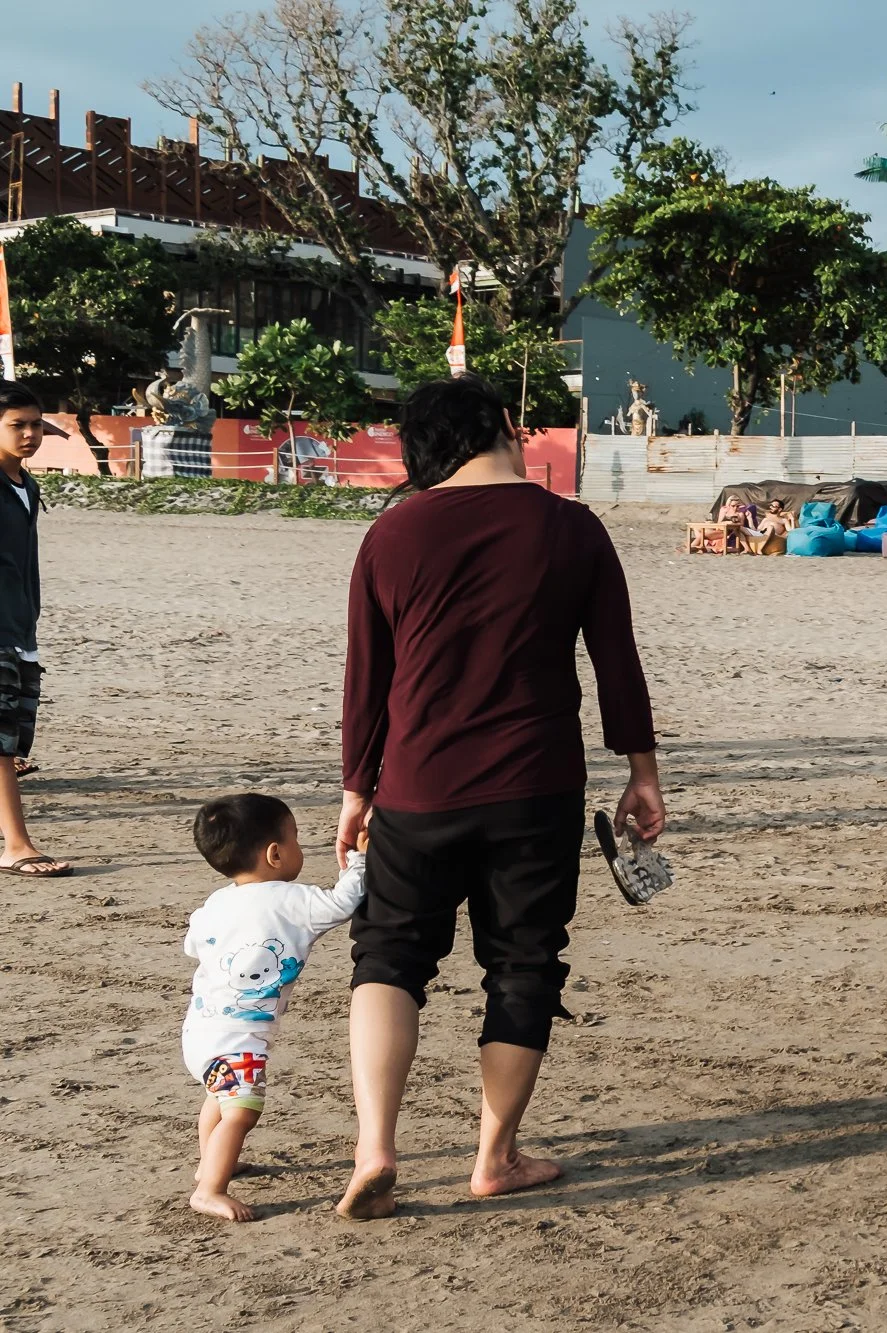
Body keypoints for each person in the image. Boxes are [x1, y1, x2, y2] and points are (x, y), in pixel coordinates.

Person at [336, 375, 665, 1220]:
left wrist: (355, 788)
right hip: (536, 784)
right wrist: (642, 768)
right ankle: (494, 1156)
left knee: (389, 957)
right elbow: (615, 657)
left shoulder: (391, 532)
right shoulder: (569, 525)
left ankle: (376, 1146)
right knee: (522, 962)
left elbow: (367, 680)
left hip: (416, 783)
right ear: (508, 429)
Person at [182, 794, 368, 1221]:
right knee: (242, 1111)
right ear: (275, 853)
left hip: (200, 1033)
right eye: (296, 838)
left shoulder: (216, 902)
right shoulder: (292, 901)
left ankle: (209, 1162)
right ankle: (210, 1189)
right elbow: (343, 903)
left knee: (219, 1094)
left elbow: (192, 943)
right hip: (240, 1040)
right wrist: (358, 860)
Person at [0, 385, 67, 876]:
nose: (29, 434)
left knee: (16, 741)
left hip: (21, 627)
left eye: (36, 424)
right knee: (1, 744)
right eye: (16, 425)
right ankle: (18, 845)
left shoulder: (28, 484)